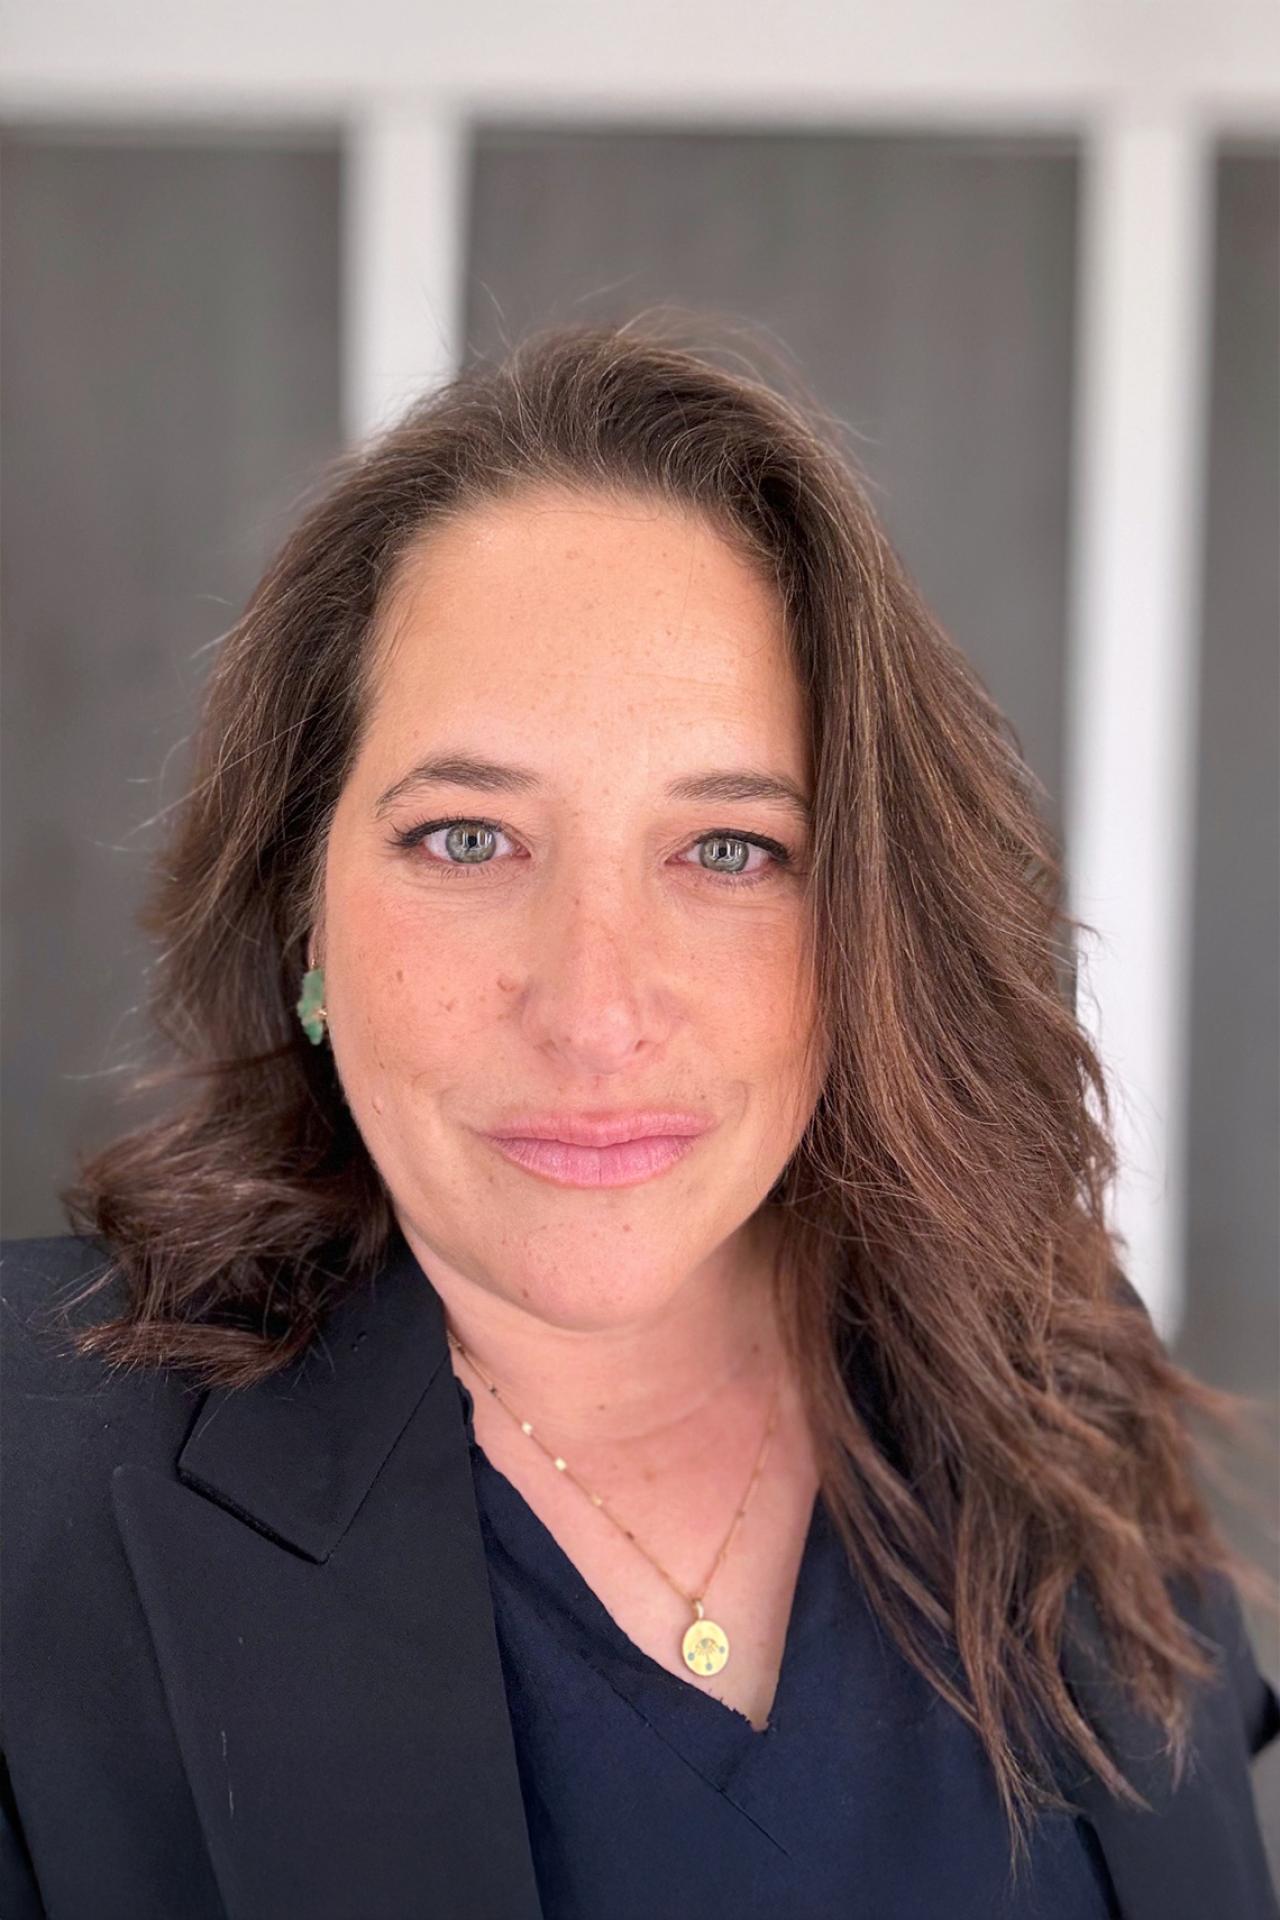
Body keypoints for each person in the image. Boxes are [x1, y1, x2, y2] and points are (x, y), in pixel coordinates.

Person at [2, 318, 1277, 1920]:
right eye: (467, 840)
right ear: (301, 912)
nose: (596, 1010)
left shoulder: (1059, 1417)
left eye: (731, 850)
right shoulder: (29, 1475)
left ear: (874, 921)